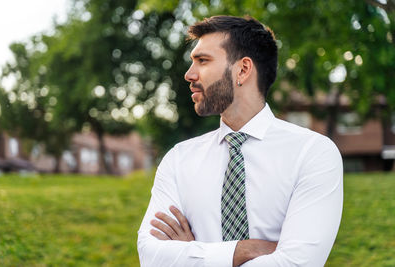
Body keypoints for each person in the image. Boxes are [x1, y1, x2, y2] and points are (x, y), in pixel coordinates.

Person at [137, 15, 343, 267]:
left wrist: (193, 254)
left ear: (243, 70)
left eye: (202, 61)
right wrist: (242, 251)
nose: (189, 75)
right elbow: (151, 255)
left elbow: (297, 263)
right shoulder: (178, 159)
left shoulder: (313, 153)